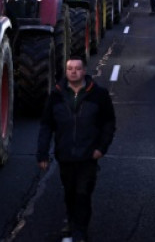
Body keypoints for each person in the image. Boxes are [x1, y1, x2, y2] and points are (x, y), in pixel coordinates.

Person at [37, 57, 117, 242]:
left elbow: (108, 123)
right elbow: (46, 126)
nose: (73, 72)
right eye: (70, 68)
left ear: (84, 71)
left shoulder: (98, 94)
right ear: (66, 72)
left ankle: (80, 231)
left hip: (88, 155)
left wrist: (101, 148)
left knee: (83, 193)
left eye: (77, 68)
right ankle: (72, 221)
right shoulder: (56, 96)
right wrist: (42, 153)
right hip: (65, 155)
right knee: (70, 192)